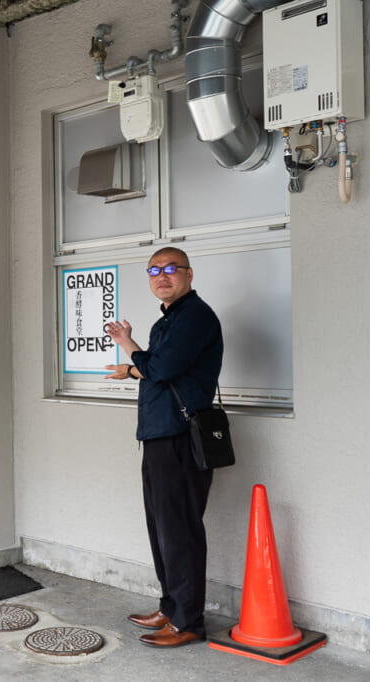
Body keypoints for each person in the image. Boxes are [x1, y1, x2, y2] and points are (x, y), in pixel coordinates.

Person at [103, 247, 223, 648]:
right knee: (161, 528)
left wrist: (131, 364)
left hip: (180, 438)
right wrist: (131, 345)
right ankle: (171, 607)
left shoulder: (195, 317)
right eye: (154, 270)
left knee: (180, 530)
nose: (162, 276)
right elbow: (155, 365)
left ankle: (189, 620)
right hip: (158, 436)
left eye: (171, 269)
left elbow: (161, 369)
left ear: (189, 274)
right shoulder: (167, 321)